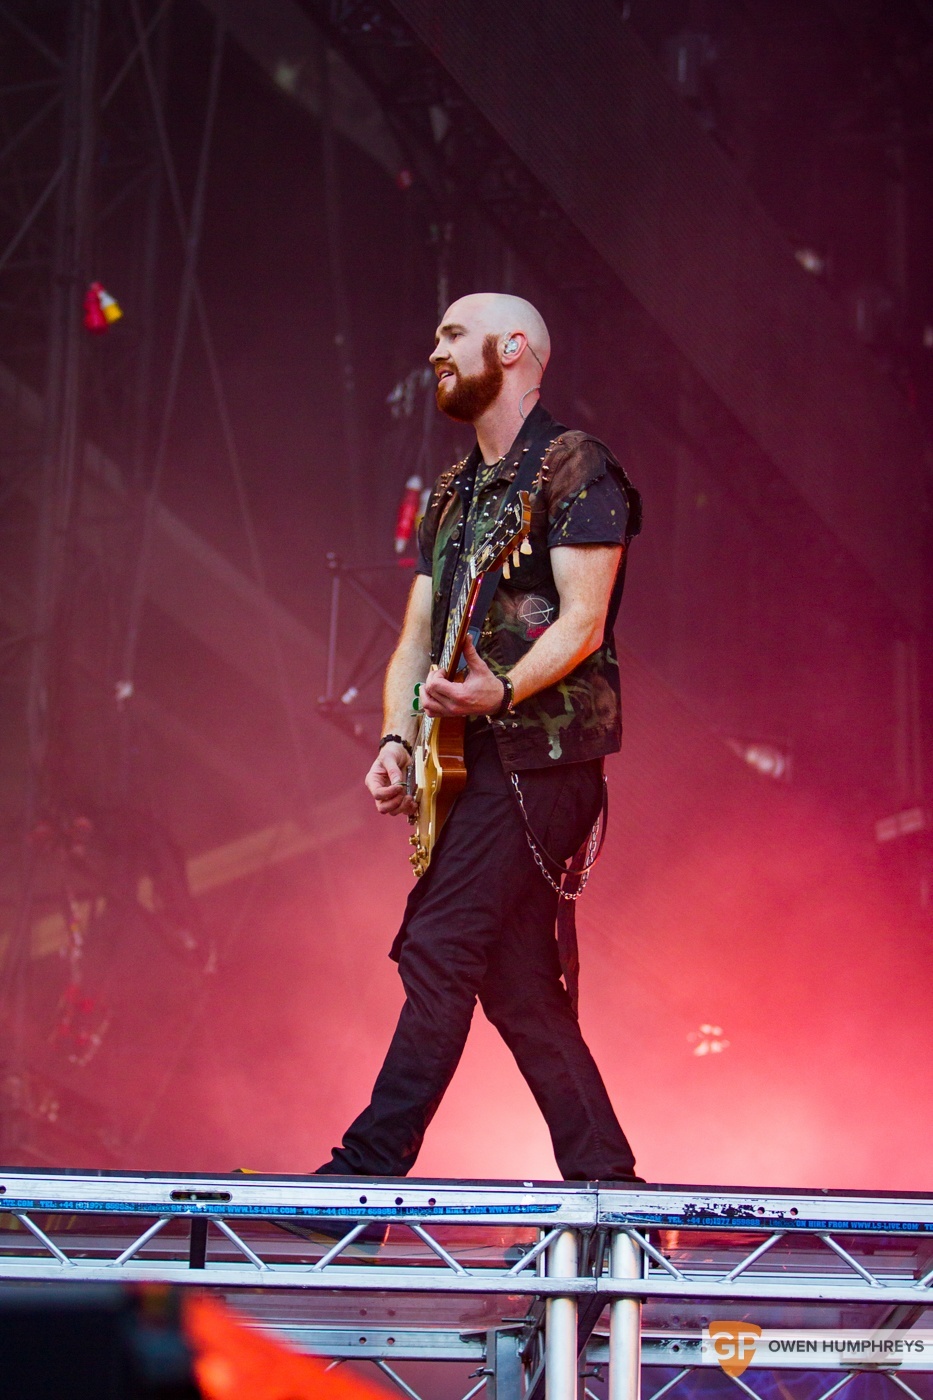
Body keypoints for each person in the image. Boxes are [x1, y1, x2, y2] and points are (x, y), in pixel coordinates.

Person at [316, 292, 642, 1181]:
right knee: (519, 987)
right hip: (472, 769)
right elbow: (417, 637)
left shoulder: (575, 465)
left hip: (545, 764)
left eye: (452, 335)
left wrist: (497, 689)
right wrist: (393, 741)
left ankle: (364, 1176)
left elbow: (580, 625)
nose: (435, 350)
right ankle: (607, 1181)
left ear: (515, 349)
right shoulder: (456, 494)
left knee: (439, 944)